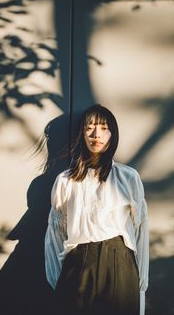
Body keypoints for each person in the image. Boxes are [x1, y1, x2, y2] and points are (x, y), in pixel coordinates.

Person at [44, 104, 149, 315]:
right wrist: (60, 280)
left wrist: (140, 285)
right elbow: (55, 234)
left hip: (120, 263)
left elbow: (140, 230)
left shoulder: (128, 177)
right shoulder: (65, 181)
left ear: (113, 133)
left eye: (103, 128)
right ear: (81, 133)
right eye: (89, 127)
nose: (95, 134)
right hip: (78, 264)